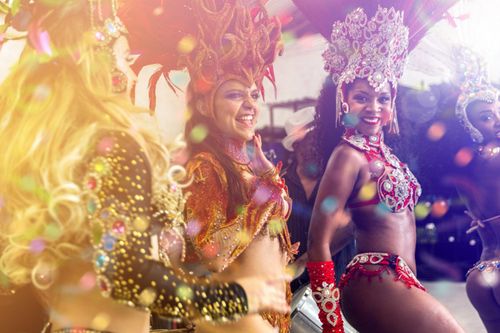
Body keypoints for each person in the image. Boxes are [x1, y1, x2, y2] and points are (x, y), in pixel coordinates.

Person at [0, 1, 290, 332]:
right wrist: (233, 298)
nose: (132, 72)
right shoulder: (114, 146)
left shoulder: (54, 154)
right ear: (101, 64)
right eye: (125, 59)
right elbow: (127, 274)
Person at [122, 1, 294, 332]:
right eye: (234, 95)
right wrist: (264, 196)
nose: (249, 105)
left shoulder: (243, 165)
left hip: (269, 317)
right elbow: (212, 253)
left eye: (254, 95)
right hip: (240, 318)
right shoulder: (205, 166)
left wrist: (268, 177)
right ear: (203, 103)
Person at [293, 2, 464, 333]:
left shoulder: (387, 155)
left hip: (401, 282)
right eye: (362, 97)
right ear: (344, 100)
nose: (373, 108)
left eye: (382, 98)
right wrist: (331, 322)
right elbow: (319, 239)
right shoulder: (348, 156)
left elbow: (358, 225)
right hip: (375, 280)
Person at [449, 46, 500, 333]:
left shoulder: (464, 166)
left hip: (482, 272)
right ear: (468, 126)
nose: (499, 120)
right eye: (487, 117)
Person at [282, 106, 355, 293]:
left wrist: (302, 263)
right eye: (313, 140)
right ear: (296, 146)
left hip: (338, 286)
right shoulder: (279, 185)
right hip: (292, 290)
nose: (320, 146)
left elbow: (349, 226)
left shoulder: (342, 180)